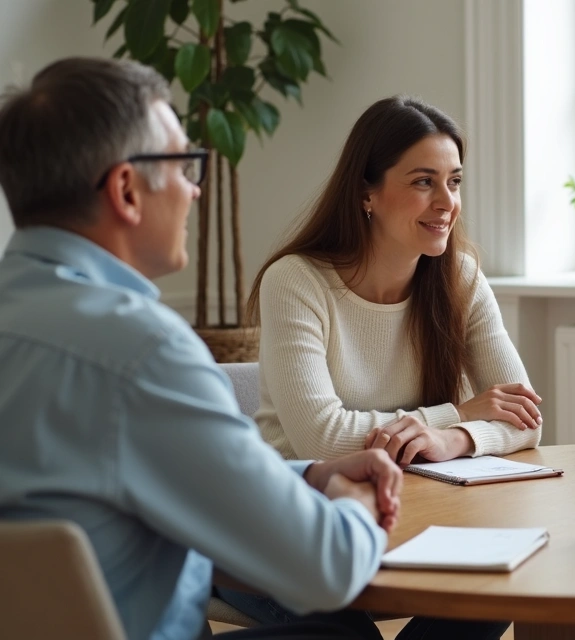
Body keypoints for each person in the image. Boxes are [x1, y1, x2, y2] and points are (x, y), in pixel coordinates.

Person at [0, 57, 403, 640]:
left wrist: (311, 473)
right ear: (126, 190)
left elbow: (143, 476)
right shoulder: (142, 354)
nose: (194, 189)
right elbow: (327, 567)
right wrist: (350, 499)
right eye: (185, 164)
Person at [246, 95, 541, 468]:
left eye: (454, 181)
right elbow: (321, 439)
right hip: (310, 501)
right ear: (366, 193)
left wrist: (453, 439)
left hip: (423, 492)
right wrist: (459, 415)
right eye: (423, 182)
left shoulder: (462, 277)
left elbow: (527, 423)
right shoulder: (295, 282)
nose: (447, 202)